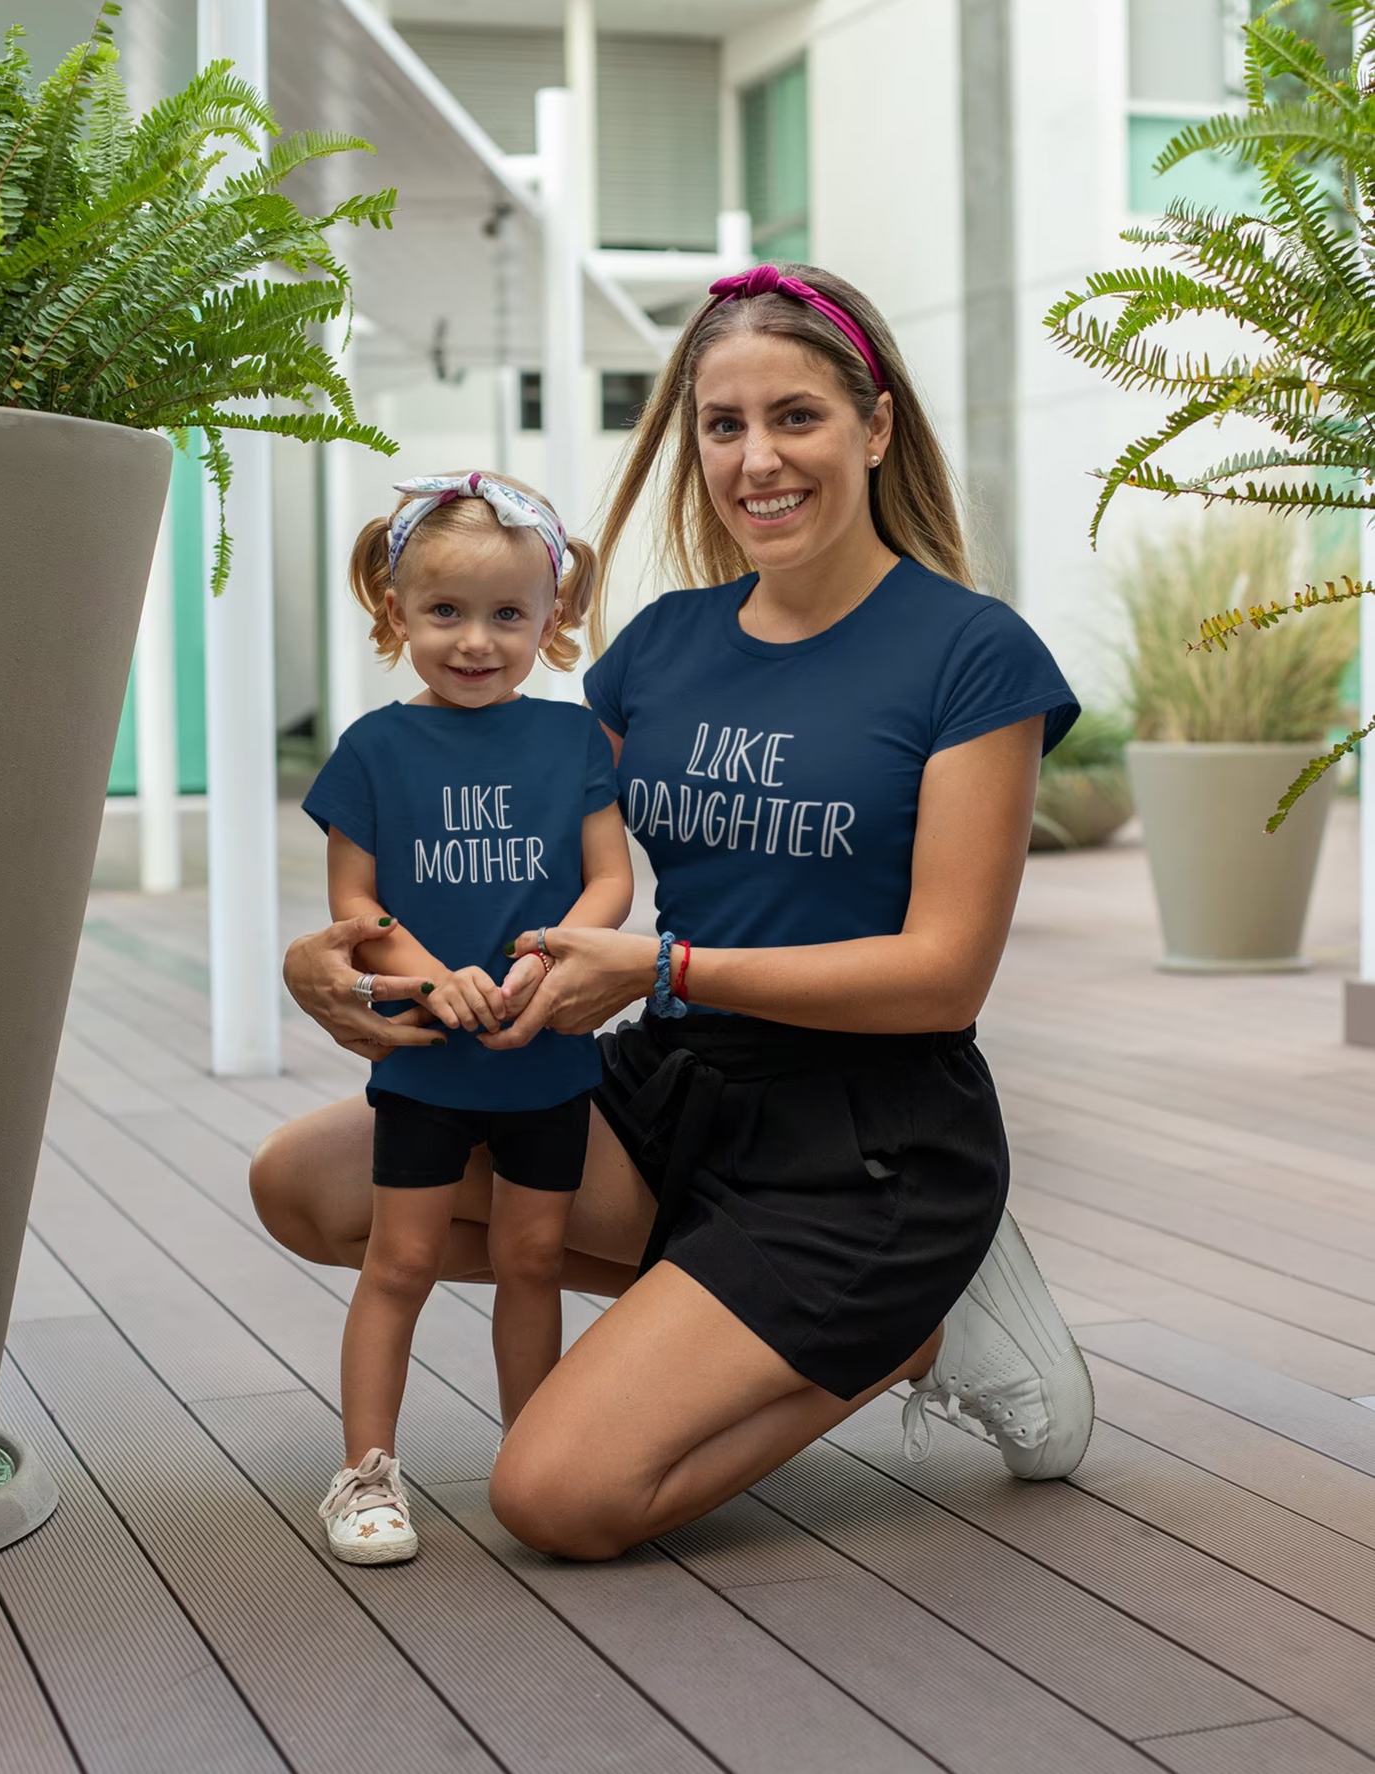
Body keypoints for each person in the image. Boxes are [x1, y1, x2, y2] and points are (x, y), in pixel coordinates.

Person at [256, 263, 1095, 1563]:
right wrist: (345, 960)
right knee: (307, 1187)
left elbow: (942, 978)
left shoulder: (970, 655)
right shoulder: (659, 645)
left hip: (867, 1139)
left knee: (558, 1497)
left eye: (796, 416)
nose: (756, 457)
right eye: (722, 424)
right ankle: (743, 1308)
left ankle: (924, 1318)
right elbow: (493, 829)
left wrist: (664, 961)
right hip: (675, 1091)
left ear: (874, 429)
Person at [303, 471, 633, 1565]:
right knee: (398, 1264)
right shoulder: (373, 751)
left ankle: (528, 1450)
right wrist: (436, 977)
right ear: (396, 613)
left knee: (531, 1260)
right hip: (428, 1065)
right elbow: (354, 911)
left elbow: (607, 887)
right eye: (445, 612)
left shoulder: (575, 742)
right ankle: (364, 1475)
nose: (476, 641)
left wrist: (551, 960)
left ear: (552, 620)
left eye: (507, 615)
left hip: (547, 1056)